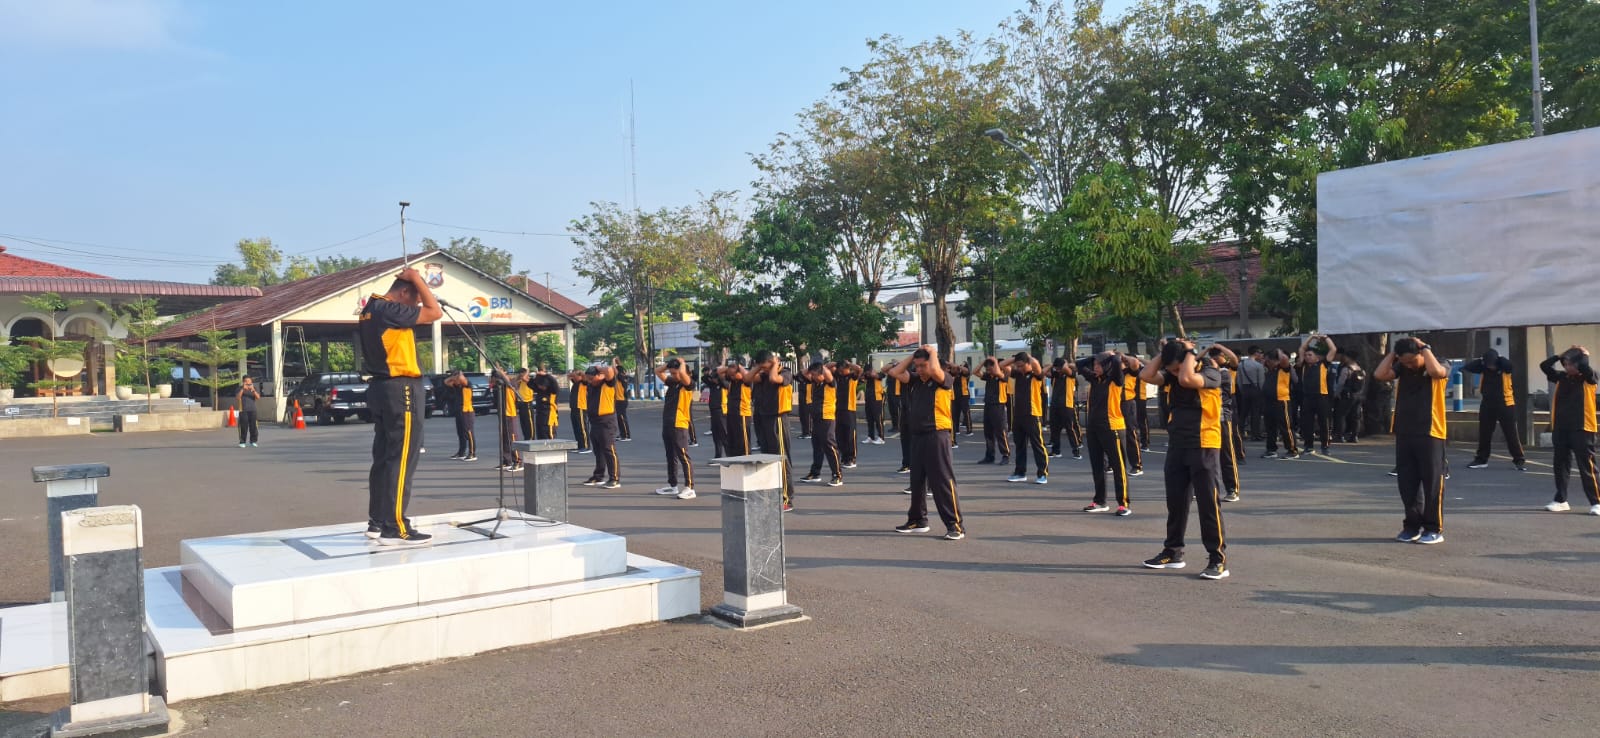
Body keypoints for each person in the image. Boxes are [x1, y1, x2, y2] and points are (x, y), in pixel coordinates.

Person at [359, 267, 441, 546]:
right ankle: (395, 526)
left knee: (384, 457)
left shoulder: (371, 308)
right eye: (414, 299)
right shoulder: (388, 309)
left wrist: (415, 284)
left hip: (382, 388)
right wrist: (417, 278)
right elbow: (434, 312)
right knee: (402, 457)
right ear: (404, 292)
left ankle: (377, 521)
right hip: (401, 388)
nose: (415, 306)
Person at [1140, 339, 1230, 579]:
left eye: (1176, 368)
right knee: (1176, 503)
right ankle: (1173, 552)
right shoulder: (1173, 375)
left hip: (1204, 444)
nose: (1173, 373)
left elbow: (1187, 379)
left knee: (1208, 504)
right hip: (1178, 445)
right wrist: (1165, 354)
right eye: (1170, 369)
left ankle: (1217, 559)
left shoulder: (1210, 372)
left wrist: (1189, 351)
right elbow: (1146, 375)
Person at [1373, 338, 1449, 543]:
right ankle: (1412, 526)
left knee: (1432, 483)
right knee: (1407, 483)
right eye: (1404, 362)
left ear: (1421, 354)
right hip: (1405, 431)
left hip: (1431, 432)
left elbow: (1437, 372)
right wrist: (1393, 354)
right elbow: (1379, 374)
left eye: (1412, 361)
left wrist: (1425, 348)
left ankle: (1433, 528)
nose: (1409, 365)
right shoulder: (1402, 367)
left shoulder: (1439, 362)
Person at [890, 346, 965, 540]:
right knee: (916, 482)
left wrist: (932, 352)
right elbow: (894, 372)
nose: (920, 370)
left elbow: (934, 370)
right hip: (918, 436)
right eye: (917, 366)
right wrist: (913, 356)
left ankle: (955, 525)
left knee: (942, 481)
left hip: (937, 435)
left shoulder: (944, 379)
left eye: (923, 366)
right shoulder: (915, 380)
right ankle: (918, 520)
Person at [1539, 346, 1599, 514]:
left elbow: (1585, 368)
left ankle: (1597, 501)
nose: (1567, 367)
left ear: (1579, 363)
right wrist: (1560, 355)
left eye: (1571, 364)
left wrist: (1583, 355)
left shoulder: (1589, 378)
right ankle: (1561, 500)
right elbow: (1544, 366)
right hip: (1561, 427)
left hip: (1582, 427)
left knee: (1587, 466)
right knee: (1560, 464)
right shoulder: (1561, 377)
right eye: (1565, 364)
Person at [1080, 353, 1137, 516]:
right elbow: (1080, 365)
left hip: (1112, 427)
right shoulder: (1094, 379)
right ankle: (1100, 501)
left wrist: (1112, 356)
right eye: (1094, 365)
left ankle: (1123, 504)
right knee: (1097, 466)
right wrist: (1095, 357)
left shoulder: (1116, 380)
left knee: (1118, 466)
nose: (1095, 367)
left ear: (1107, 366)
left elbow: (1117, 362)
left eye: (1099, 365)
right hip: (1093, 428)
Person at [748, 350, 797, 509]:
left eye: (765, 366)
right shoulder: (763, 374)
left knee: (781, 458)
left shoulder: (785, 373)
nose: (763, 370)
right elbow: (748, 378)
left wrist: (774, 364)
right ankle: (771, 495)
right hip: (763, 418)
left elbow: (774, 379)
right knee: (767, 458)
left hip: (778, 419)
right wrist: (759, 367)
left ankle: (786, 498)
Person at [1462, 349, 1526, 470]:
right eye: (1488, 364)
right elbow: (1468, 367)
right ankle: (1481, 459)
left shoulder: (1504, 366)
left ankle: (1519, 460)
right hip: (1487, 403)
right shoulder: (1483, 367)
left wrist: (1499, 358)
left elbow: (1510, 366)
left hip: (1505, 403)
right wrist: (1481, 360)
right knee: (1484, 433)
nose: (1490, 367)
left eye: (1492, 364)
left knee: (1511, 434)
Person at [1002, 352, 1049, 484]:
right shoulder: (1017, 374)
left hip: (1032, 414)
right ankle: (1020, 472)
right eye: (1017, 366)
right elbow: (1002, 365)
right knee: (1020, 445)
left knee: (1037, 445)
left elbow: (1037, 365)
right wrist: (1016, 358)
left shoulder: (1036, 375)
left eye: (1022, 365)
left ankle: (1042, 474)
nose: (1019, 368)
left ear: (1028, 363)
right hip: (1018, 415)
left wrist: (1027, 357)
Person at [652, 358, 697, 500]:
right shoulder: (673, 383)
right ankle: (673, 486)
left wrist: (681, 363)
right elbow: (657, 371)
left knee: (683, 456)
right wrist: (669, 364)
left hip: (679, 424)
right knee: (670, 456)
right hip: (668, 423)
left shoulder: (688, 384)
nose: (673, 375)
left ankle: (690, 488)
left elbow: (683, 374)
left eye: (675, 373)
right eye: (671, 373)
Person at [1207, 345, 1244, 502]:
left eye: (1221, 355)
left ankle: (1232, 489)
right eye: (1218, 356)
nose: (1223, 357)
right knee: (1205, 456)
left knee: (1226, 454)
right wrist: (1207, 350)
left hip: (1223, 414)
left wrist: (1220, 347)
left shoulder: (1227, 370)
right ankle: (1204, 487)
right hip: (1207, 417)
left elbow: (1234, 359)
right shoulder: (1206, 371)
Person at [580, 365, 623, 489]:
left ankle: (614, 478)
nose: (590, 381)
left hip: (606, 422)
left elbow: (609, 370)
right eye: (588, 379)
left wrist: (598, 368)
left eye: (591, 378)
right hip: (594, 422)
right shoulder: (591, 385)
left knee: (609, 450)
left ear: (600, 375)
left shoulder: (608, 383)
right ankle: (598, 476)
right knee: (598, 451)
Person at [801, 361, 843, 486]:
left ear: (822, 374)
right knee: (817, 447)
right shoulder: (816, 383)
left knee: (830, 447)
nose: (812, 377)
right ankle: (815, 473)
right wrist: (813, 368)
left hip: (827, 418)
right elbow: (804, 373)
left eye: (815, 375)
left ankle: (837, 475)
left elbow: (828, 374)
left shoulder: (830, 383)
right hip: (817, 419)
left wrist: (822, 365)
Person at [1295, 334, 1337, 456]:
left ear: (1317, 357)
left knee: (1324, 422)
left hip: (1321, 397)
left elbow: (1333, 349)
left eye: (1310, 355)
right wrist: (1312, 337)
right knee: (1307, 423)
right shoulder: (1303, 365)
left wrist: (1326, 338)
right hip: (1307, 397)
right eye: (1306, 355)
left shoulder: (1323, 364)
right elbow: (1301, 349)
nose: (1307, 357)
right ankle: (1308, 446)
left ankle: (1325, 446)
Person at [1261, 349, 1301, 459]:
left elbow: (1284, 359)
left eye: (1269, 361)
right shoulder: (1269, 370)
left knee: (1285, 427)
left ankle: (1292, 450)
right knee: (1270, 427)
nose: (1266, 362)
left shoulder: (1284, 368)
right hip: (1269, 401)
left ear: (1275, 361)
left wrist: (1278, 351)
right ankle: (1271, 449)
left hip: (1281, 401)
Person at [977, 357, 1012, 465]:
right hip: (988, 405)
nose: (988, 369)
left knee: (1000, 431)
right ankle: (990, 456)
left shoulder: (1002, 376)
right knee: (988, 432)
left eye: (990, 367)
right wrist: (983, 362)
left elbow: (998, 371)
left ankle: (1005, 455)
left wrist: (995, 361)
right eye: (987, 368)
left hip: (998, 405)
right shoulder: (989, 376)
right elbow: (975, 372)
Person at [1047, 358, 1082, 460]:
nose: (1058, 370)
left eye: (1059, 367)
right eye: (1057, 368)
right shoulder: (1055, 375)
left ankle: (1076, 451)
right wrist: (1052, 365)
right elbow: (1043, 372)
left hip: (1067, 405)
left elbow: (1068, 368)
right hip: (1055, 405)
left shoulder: (1071, 374)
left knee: (1070, 429)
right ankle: (1056, 451)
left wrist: (1064, 364)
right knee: (1054, 429)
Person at [1333, 351, 1366, 443]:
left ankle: (1340, 436)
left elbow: (1341, 383)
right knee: (1356, 416)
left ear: (1349, 358)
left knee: (1341, 415)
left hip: (1347, 395)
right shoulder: (1361, 370)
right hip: (1358, 395)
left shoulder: (1347, 369)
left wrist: (1336, 393)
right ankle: (1354, 436)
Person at [445, 370, 477, 461]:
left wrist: (458, 375)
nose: (454, 381)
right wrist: (453, 377)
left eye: (456, 378)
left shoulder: (467, 384)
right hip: (459, 411)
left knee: (469, 432)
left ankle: (472, 453)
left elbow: (461, 378)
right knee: (460, 433)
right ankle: (461, 452)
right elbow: (446, 382)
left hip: (467, 411)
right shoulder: (457, 386)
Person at [834, 360, 861, 468]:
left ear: (847, 368)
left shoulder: (852, 377)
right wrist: (836, 363)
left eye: (842, 369)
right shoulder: (838, 377)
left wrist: (848, 364)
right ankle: (844, 457)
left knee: (850, 435)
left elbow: (859, 369)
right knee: (839, 435)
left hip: (849, 409)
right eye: (839, 370)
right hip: (838, 409)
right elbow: (825, 367)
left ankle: (851, 459)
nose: (840, 371)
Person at [721, 362, 752, 456]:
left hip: (742, 414)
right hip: (731, 414)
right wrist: (728, 368)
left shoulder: (746, 382)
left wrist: (739, 366)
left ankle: (746, 460)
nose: (732, 377)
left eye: (733, 374)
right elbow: (718, 372)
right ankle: (734, 459)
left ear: (740, 373)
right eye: (730, 375)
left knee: (743, 443)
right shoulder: (732, 382)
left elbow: (747, 375)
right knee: (732, 440)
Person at [494, 373, 523, 472]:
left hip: (510, 414)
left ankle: (518, 461)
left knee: (512, 438)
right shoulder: (501, 386)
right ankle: (507, 461)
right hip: (503, 414)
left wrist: (500, 371)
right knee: (504, 438)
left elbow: (506, 379)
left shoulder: (511, 384)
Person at [1237, 346, 1265, 442]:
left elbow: (1239, 380)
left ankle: (1239, 433)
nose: (1260, 355)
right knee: (1255, 413)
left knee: (1243, 413)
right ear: (1256, 353)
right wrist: (1261, 393)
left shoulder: (1241, 364)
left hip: (1245, 389)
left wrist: (1242, 390)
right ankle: (1255, 434)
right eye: (1259, 353)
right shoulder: (1258, 366)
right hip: (1255, 389)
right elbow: (1261, 382)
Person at [1121, 368, 1146, 473]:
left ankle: (1136, 465)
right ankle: (1112, 464)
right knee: (1112, 435)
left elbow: (1135, 363)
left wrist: (1124, 359)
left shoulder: (1131, 371)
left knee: (1131, 434)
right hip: (1113, 403)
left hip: (1128, 403)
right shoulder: (1111, 370)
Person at [703, 366, 727, 460]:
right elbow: (704, 378)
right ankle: (718, 455)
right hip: (713, 411)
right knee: (716, 435)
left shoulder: (724, 384)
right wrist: (711, 372)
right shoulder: (712, 385)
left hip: (722, 411)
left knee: (724, 434)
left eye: (715, 378)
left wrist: (719, 373)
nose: (713, 380)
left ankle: (729, 454)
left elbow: (723, 382)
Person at [531, 367, 560, 440]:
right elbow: (530, 384)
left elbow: (554, 383)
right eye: (539, 385)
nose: (540, 387)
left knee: (549, 436)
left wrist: (546, 375)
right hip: (540, 416)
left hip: (549, 417)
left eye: (541, 385)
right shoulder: (540, 391)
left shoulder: (553, 391)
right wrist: (535, 376)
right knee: (541, 437)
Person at [567, 369, 591, 454]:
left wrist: (579, 373)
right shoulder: (575, 383)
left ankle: (586, 446)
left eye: (575, 376)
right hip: (574, 408)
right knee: (576, 428)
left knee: (582, 428)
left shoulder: (584, 382)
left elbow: (584, 377)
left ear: (580, 376)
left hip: (581, 407)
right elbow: (569, 376)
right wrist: (572, 374)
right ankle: (580, 446)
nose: (573, 377)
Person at [863, 365, 885, 445]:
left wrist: (873, 373)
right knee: (869, 419)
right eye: (866, 373)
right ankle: (871, 436)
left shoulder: (879, 375)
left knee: (878, 419)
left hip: (877, 399)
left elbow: (881, 375)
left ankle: (881, 437)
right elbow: (861, 376)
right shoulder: (867, 376)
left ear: (871, 370)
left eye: (868, 372)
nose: (867, 374)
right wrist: (866, 374)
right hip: (868, 399)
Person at [513, 368, 536, 444]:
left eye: (522, 373)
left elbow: (524, 378)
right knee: (523, 423)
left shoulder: (529, 380)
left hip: (527, 403)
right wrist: (518, 377)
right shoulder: (520, 381)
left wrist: (527, 371)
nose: (520, 374)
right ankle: (526, 438)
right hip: (521, 403)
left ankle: (531, 438)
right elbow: (514, 383)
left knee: (529, 423)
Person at [236, 377, 260, 448]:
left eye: (249, 381)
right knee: (243, 427)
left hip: (253, 410)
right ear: (243, 382)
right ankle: (242, 442)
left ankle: (253, 441)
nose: (248, 382)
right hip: (243, 410)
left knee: (253, 427)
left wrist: (253, 390)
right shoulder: (239, 388)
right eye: (246, 381)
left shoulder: (254, 388)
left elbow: (258, 397)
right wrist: (243, 389)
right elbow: (238, 398)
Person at [613, 360, 633, 442]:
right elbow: (620, 369)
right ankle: (622, 434)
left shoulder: (621, 377)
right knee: (619, 418)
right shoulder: (623, 377)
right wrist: (618, 362)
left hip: (621, 400)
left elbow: (615, 370)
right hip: (619, 400)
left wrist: (613, 361)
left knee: (622, 418)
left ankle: (626, 435)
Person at [953, 362, 974, 436]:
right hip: (955, 396)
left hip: (964, 395)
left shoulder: (965, 373)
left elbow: (966, 370)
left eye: (962, 364)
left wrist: (958, 366)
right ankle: (956, 429)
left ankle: (969, 430)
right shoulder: (956, 373)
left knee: (966, 412)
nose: (960, 365)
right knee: (955, 413)